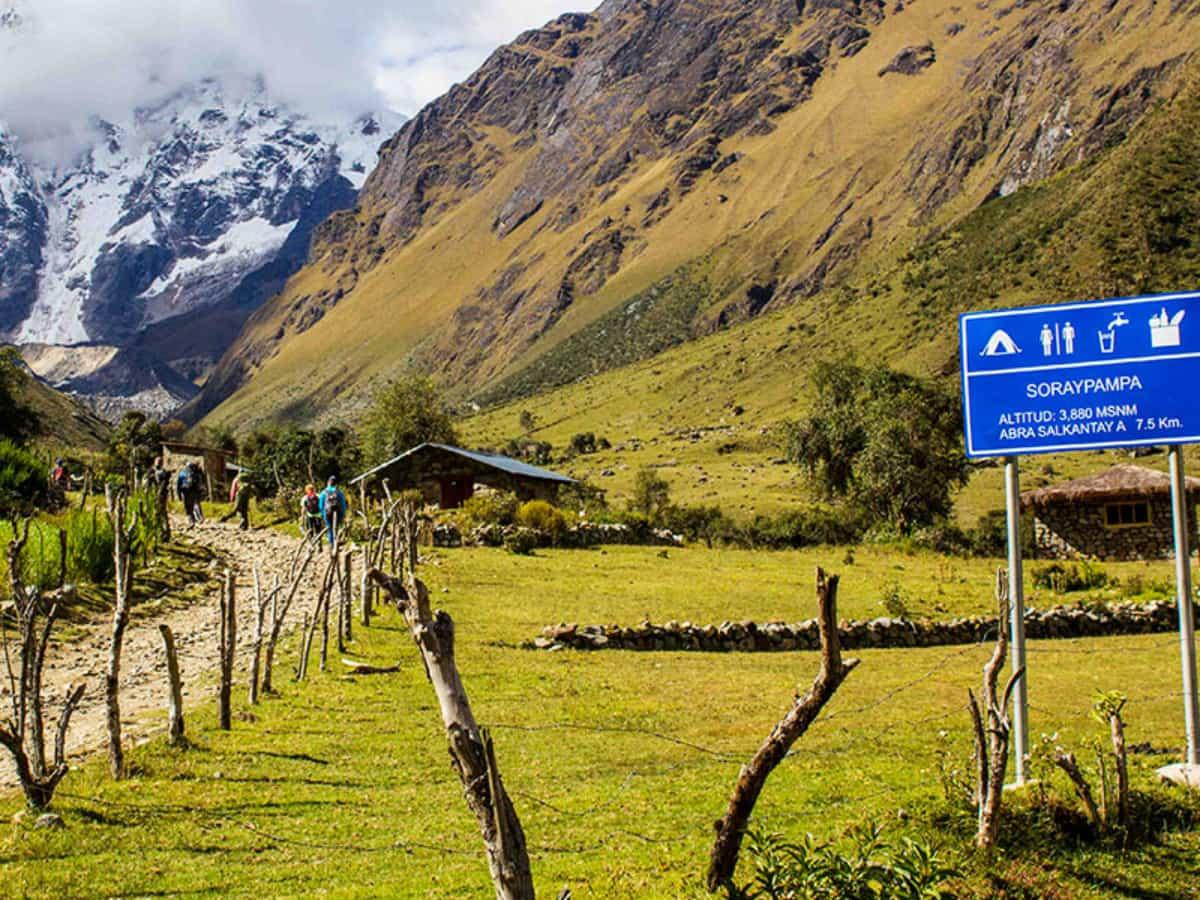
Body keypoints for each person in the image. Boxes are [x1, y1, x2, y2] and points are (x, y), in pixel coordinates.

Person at [319, 476, 348, 547]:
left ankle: (331, 544)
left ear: (328, 483)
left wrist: (323, 514)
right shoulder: (339, 492)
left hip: (327, 513)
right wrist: (343, 514)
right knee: (336, 528)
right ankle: (336, 542)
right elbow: (343, 504)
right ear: (336, 484)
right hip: (338, 513)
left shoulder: (323, 492)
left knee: (330, 528)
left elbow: (320, 505)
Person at [148, 457, 172, 540]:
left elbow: (148, 484)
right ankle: (164, 533)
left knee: (158, 513)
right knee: (162, 513)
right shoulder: (165, 472)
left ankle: (161, 533)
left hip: (157, 495)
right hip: (162, 494)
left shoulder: (152, 472)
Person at [177, 461, 206, 526]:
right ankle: (199, 518)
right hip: (195, 491)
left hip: (186, 492)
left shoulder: (182, 473)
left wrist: (179, 494)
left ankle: (191, 520)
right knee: (196, 504)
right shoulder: (197, 473)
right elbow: (201, 483)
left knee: (188, 506)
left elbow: (178, 485)